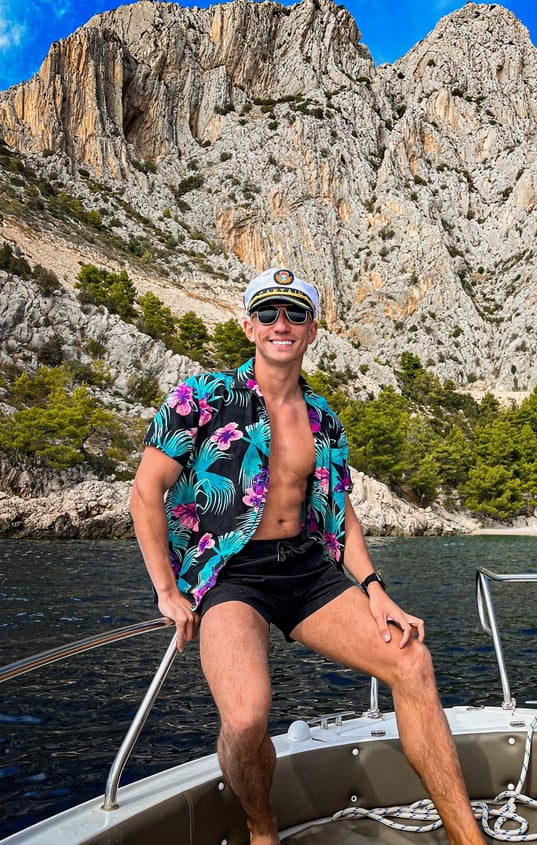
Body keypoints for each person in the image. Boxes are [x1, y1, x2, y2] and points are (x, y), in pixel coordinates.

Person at [130, 267, 485, 845]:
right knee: (246, 719)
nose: (281, 324)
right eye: (267, 312)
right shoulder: (199, 397)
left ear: (312, 331)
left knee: (412, 662)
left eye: (295, 314)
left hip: (307, 569)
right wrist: (168, 592)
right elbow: (147, 492)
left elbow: (340, 514)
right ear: (248, 325)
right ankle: (261, 823)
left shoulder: (325, 420)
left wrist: (376, 590)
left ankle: (468, 839)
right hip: (229, 575)